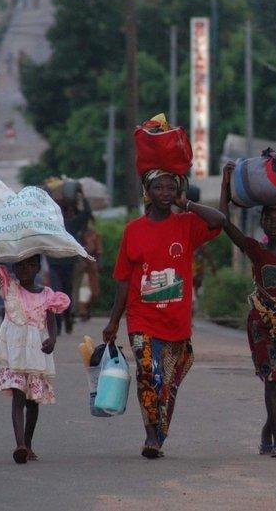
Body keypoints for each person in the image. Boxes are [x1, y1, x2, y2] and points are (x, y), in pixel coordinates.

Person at [102, 170, 225, 459]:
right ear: (148, 191)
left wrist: (189, 204)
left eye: (172, 187)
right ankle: (150, 436)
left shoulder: (187, 225)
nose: (166, 192)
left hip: (176, 323)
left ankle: (159, 432)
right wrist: (113, 321)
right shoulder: (133, 230)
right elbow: (123, 279)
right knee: (147, 374)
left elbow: (220, 221)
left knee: (166, 385)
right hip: (142, 318)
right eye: (159, 187)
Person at [220, 162, 276, 458]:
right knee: (272, 376)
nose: (275, 224)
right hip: (260, 321)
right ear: (263, 223)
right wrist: (225, 186)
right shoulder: (256, 249)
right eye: (270, 219)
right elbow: (225, 223)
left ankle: (268, 429)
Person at [0, 229, 69, 464]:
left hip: (36, 354)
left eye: (30, 266)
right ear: (14, 269)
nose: (25, 270)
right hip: (15, 355)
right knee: (19, 397)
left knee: (32, 402)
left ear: (38, 268)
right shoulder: (8, 287)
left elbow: (51, 320)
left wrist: (53, 339)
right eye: (20, 266)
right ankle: (19, 444)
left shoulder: (47, 295)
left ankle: (28, 443)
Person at [47, 189, 91, 334]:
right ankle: (63, 322)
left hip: (60, 264)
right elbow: (86, 214)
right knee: (64, 293)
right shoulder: (70, 224)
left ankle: (64, 321)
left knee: (60, 292)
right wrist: (82, 197)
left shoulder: (52, 225)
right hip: (60, 264)